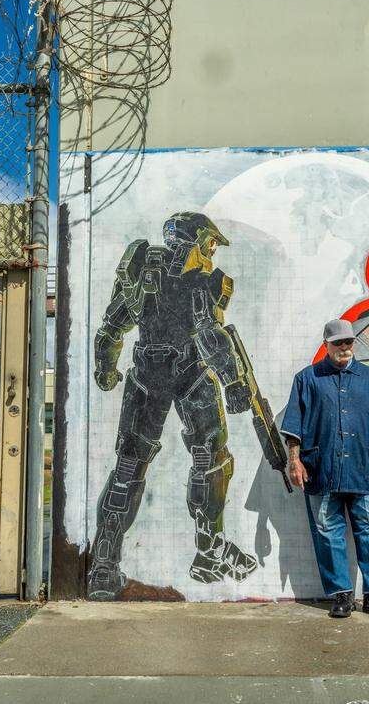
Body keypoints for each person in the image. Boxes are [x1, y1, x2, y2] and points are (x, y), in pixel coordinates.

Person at [87, 212, 260, 600]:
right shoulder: (171, 274)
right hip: (168, 373)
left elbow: (114, 329)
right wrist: (232, 381)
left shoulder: (176, 278)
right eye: (210, 243)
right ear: (192, 241)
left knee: (197, 462)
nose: (213, 252)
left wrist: (106, 368)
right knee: (154, 464)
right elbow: (205, 332)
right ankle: (113, 562)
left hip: (172, 373)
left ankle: (200, 552)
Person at [281, 318, 369, 619]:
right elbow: (294, 425)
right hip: (322, 468)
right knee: (328, 531)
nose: (344, 347)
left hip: (363, 468)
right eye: (338, 342)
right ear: (326, 344)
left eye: (348, 342)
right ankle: (341, 594)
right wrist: (294, 460)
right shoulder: (307, 379)